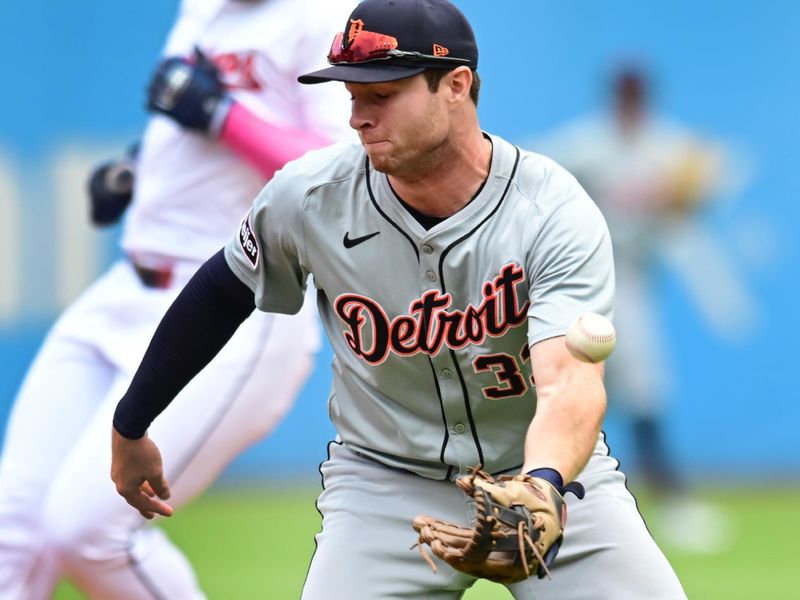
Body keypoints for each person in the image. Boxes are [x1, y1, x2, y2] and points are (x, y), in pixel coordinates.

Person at [110, 1, 687, 598]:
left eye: (382, 94)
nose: (359, 117)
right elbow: (220, 291)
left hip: (545, 476)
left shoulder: (550, 210)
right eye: (352, 95)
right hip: (385, 484)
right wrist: (131, 423)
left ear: (456, 85)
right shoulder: (309, 195)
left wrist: (542, 486)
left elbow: (569, 382)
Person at [0, 0, 355, 598]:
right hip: (126, 285)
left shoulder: (324, 14)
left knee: (88, 532)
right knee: (13, 527)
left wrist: (220, 114)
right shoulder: (203, 6)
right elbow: (190, 127)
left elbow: (340, 170)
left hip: (235, 302)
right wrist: (138, 169)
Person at [531, 67, 737, 552]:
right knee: (566, 383)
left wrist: (688, 196)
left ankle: (669, 502)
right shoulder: (586, 144)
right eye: (624, 93)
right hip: (582, 275)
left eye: (636, 94)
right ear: (613, 97)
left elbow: (697, 197)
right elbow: (530, 173)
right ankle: (549, 491)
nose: (629, 100)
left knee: (642, 389)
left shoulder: (669, 148)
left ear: (645, 97)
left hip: (633, 279)